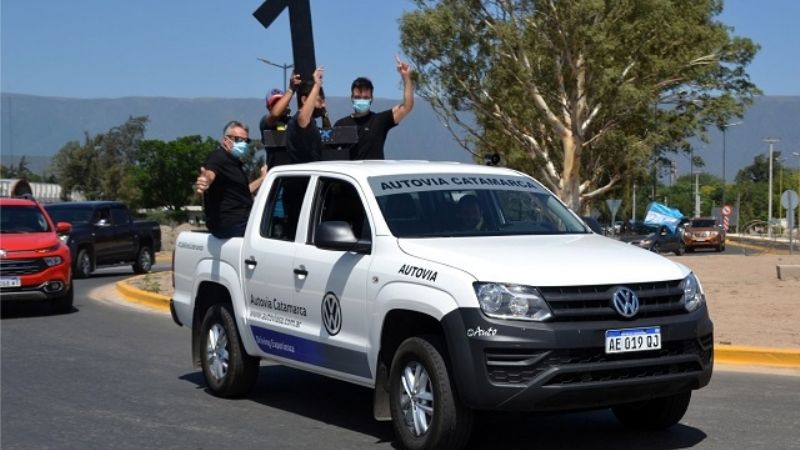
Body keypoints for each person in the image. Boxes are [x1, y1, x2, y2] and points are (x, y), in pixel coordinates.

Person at [334, 55, 414, 160]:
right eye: (358, 97)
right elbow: (328, 153)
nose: (361, 100)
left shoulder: (379, 121)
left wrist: (406, 77)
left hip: (373, 174)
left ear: (371, 98)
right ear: (351, 97)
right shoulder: (341, 125)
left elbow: (406, 107)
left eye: (365, 97)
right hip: (351, 176)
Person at [195, 120, 266, 238]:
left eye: (246, 140)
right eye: (238, 139)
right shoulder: (218, 157)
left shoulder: (235, 163)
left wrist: (263, 178)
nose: (243, 143)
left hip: (238, 222)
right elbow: (209, 173)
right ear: (225, 140)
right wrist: (205, 180)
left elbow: (244, 191)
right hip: (230, 223)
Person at [286, 67, 328, 164]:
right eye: (319, 100)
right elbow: (303, 118)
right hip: (301, 178)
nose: (323, 105)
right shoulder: (297, 121)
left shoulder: (312, 122)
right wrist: (317, 85)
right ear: (304, 100)